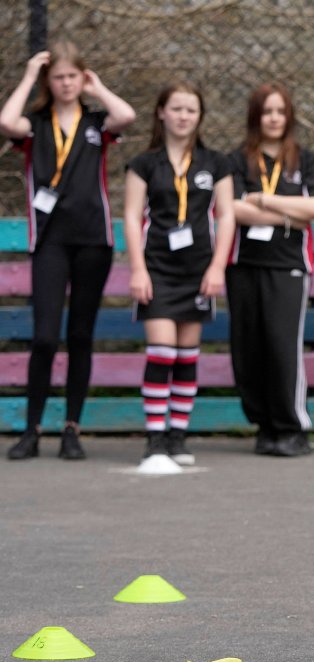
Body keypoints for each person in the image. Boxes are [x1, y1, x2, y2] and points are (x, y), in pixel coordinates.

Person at [0, 41, 135, 460]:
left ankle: (72, 428)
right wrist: (27, 77)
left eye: (72, 76)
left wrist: (98, 88)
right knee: (44, 337)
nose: (65, 84)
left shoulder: (97, 123)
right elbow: (6, 122)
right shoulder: (36, 125)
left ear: (82, 78)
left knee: (80, 335)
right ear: (48, 82)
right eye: (57, 78)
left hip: (93, 240)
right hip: (51, 243)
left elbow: (126, 115)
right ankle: (32, 428)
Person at [124, 81, 234, 471]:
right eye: (176, 108)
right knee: (162, 350)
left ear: (199, 116)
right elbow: (132, 216)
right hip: (157, 269)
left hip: (199, 270)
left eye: (191, 110)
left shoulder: (216, 163)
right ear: (161, 112)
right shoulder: (143, 164)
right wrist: (137, 269)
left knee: (187, 354)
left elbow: (226, 216)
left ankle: (177, 436)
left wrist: (218, 266)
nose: (183, 116)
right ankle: (154, 438)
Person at [228, 83, 314, 457]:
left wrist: (263, 199)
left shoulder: (305, 160)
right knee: (249, 347)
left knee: (282, 346)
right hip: (244, 264)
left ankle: (292, 426)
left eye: (280, 112)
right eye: (267, 112)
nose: (273, 118)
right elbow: (233, 208)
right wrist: (290, 211)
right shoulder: (237, 160)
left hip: (288, 266)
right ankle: (265, 424)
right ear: (256, 116)